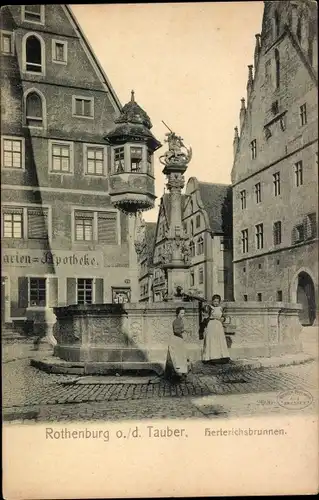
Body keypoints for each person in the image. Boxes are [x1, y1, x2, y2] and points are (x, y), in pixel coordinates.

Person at [201, 294, 231, 364]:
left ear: (219, 302)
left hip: (219, 325)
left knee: (219, 340)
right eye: (214, 301)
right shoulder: (210, 307)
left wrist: (223, 319)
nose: (216, 303)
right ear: (212, 301)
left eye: (217, 301)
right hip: (211, 325)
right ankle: (210, 357)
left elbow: (224, 317)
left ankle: (220, 356)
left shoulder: (221, 308)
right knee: (212, 340)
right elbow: (205, 315)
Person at [164, 306, 189, 381]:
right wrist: (183, 331)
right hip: (177, 339)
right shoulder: (176, 321)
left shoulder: (180, 320)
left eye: (184, 313)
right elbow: (176, 331)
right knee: (178, 357)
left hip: (179, 339)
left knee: (181, 356)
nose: (183, 314)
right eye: (181, 313)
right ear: (177, 313)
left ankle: (181, 373)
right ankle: (178, 373)